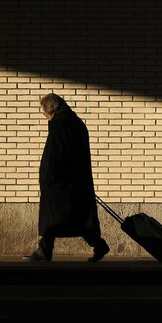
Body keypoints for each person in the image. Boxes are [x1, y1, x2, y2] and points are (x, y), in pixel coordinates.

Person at [24, 93, 110, 262]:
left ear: (51, 111)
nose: (46, 117)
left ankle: (45, 251)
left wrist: (47, 177)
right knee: (78, 218)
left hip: (60, 182)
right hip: (76, 182)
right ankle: (98, 245)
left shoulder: (60, 125)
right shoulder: (75, 123)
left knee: (53, 216)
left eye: (45, 114)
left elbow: (53, 156)